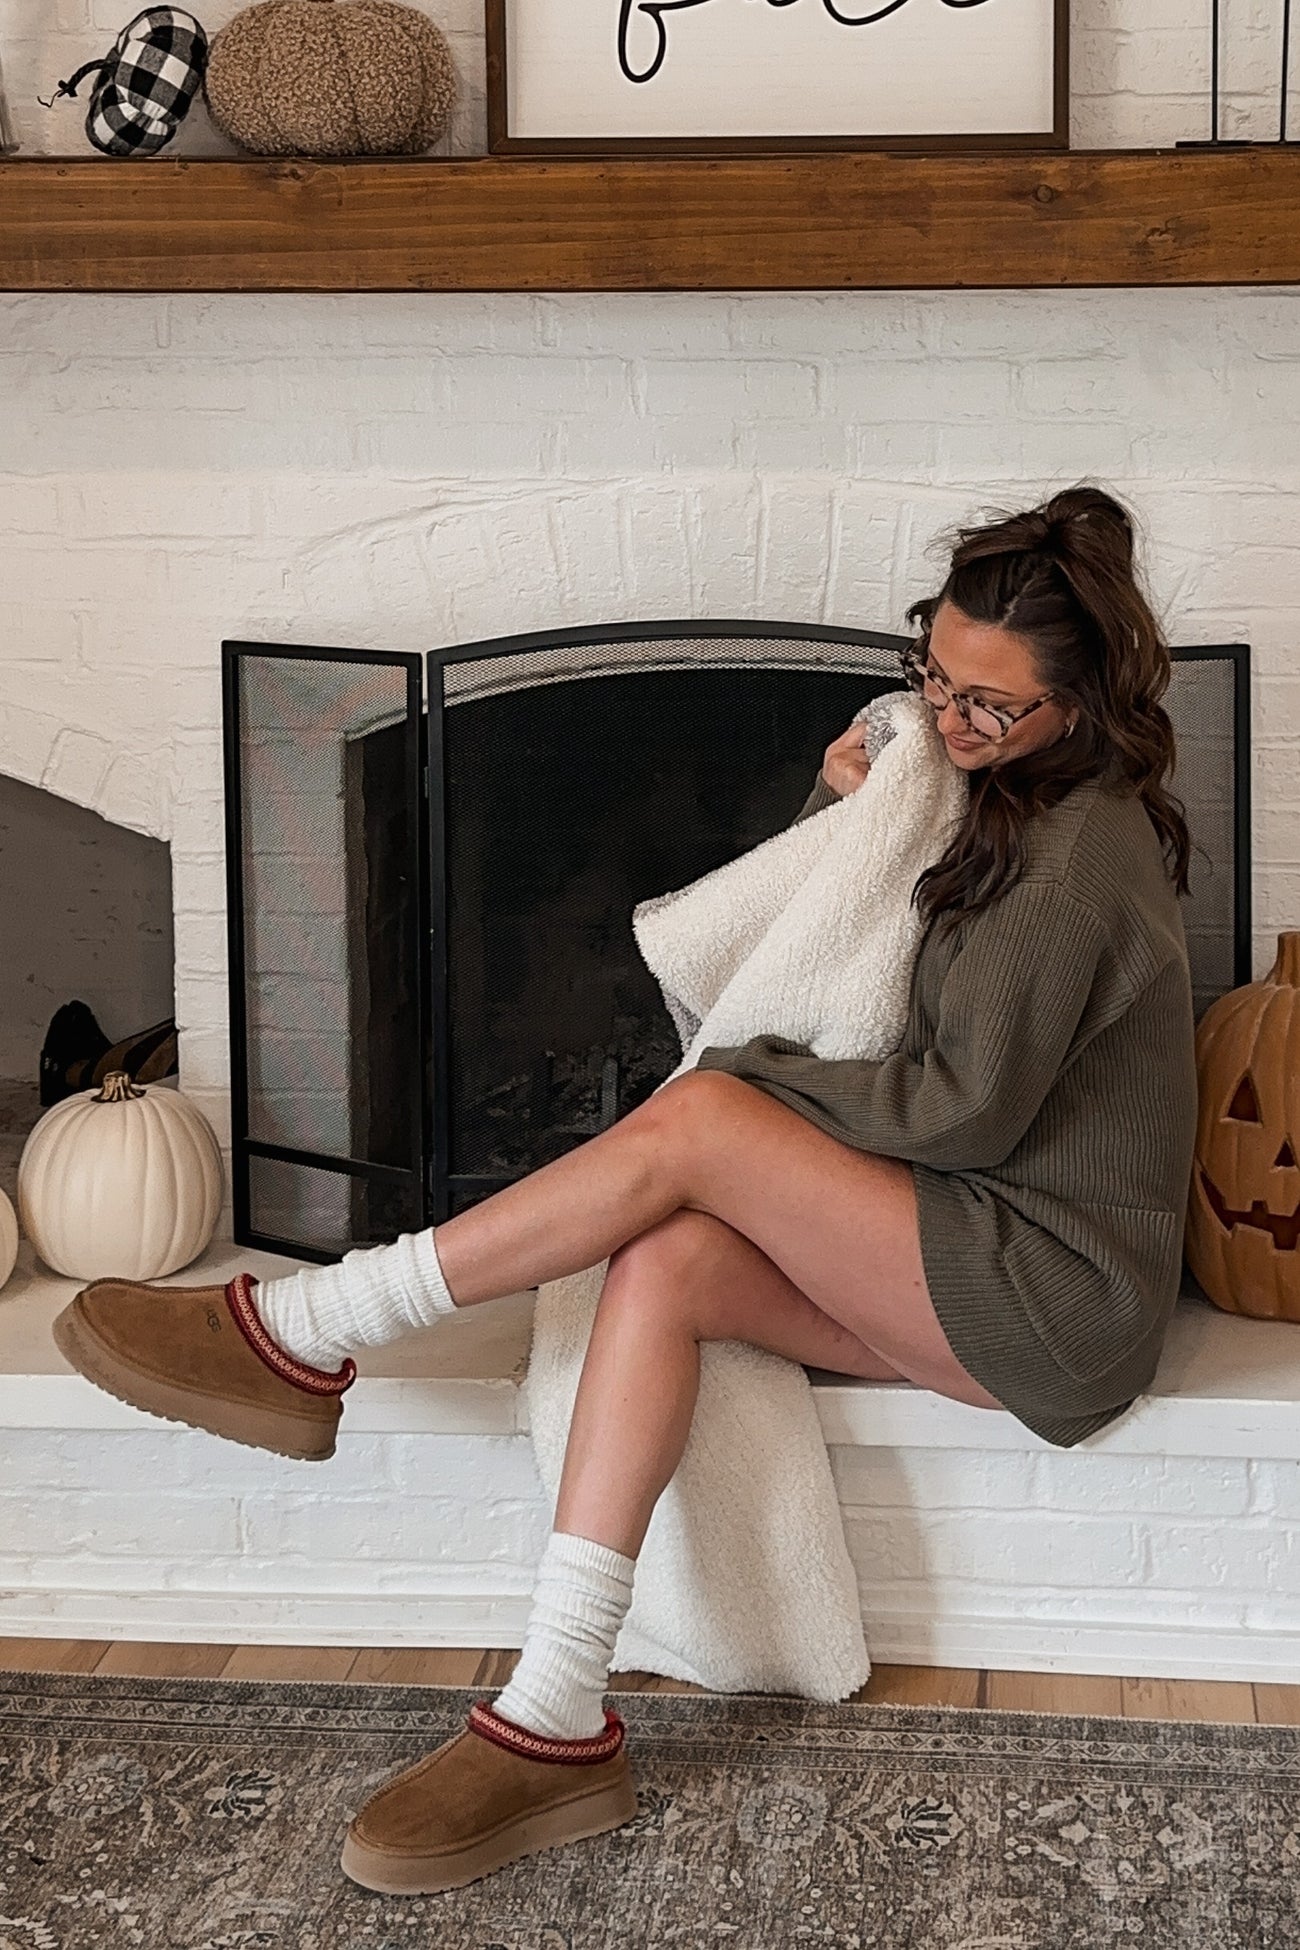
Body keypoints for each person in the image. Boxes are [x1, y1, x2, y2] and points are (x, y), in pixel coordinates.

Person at [53, 481, 1199, 1897]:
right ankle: (555, 1709)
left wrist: (756, 1081)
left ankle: (314, 1324)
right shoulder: (998, 789)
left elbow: (961, 1110)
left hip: (1054, 1292)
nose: (949, 722)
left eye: (989, 706)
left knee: (705, 1115)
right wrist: (843, 801)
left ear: (1082, 705)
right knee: (658, 1263)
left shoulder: (1079, 850)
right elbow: (849, 941)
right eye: (935, 677)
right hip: (962, 1254)